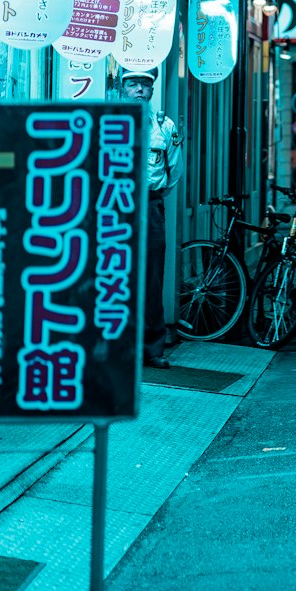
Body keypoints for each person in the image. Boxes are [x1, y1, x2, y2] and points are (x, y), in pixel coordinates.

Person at [121, 67, 183, 369]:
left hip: (150, 205)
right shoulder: (110, 122)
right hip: (116, 206)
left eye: (145, 85)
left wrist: (154, 196)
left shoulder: (164, 126)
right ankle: (121, 347)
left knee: (152, 277)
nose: (139, 90)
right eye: (133, 84)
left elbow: (175, 171)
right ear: (123, 88)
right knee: (118, 276)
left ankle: (153, 348)